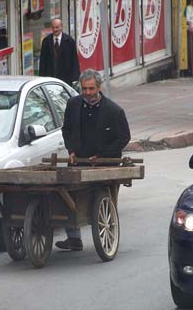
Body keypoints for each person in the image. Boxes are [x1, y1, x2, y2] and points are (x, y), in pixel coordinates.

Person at [55, 69, 131, 251]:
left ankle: (107, 233)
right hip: (78, 161)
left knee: (100, 196)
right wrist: (71, 150)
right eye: (84, 89)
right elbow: (66, 130)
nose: (88, 93)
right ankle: (73, 239)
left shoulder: (114, 111)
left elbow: (123, 138)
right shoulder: (73, 104)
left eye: (91, 89)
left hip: (104, 164)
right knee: (65, 195)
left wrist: (103, 155)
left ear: (99, 87)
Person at [39, 18, 80, 86]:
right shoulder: (46, 41)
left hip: (66, 80)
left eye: (57, 27)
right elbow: (42, 62)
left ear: (61, 26)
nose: (55, 30)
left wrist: (75, 79)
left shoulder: (69, 41)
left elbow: (74, 61)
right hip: (50, 80)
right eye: (53, 27)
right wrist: (41, 78)